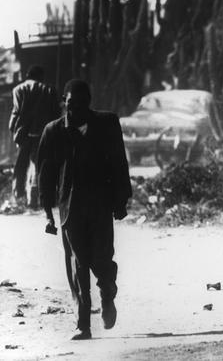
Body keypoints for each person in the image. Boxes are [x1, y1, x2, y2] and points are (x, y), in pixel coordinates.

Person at [37, 79, 132, 340]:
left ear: (88, 103)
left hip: (100, 205)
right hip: (70, 208)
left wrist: (121, 200)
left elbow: (118, 163)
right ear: (64, 103)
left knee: (101, 259)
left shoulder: (107, 124)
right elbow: (45, 175)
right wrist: (47, 213)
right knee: (78, 264)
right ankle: (83, 324)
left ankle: (107, 291)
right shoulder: (53, 131)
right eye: (69, 104)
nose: (73, 110)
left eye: (79, 105)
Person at [9, 65, 62, 209]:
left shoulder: (18, 89)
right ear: (41, 76)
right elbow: (56, 112)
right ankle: (34, 199)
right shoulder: (49, 90)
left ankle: (18, 199)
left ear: (28, 75)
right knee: (38, 166)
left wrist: (13, 129)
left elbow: (16, 112)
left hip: (23, 134)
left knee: (20, 166)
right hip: (43, 133)